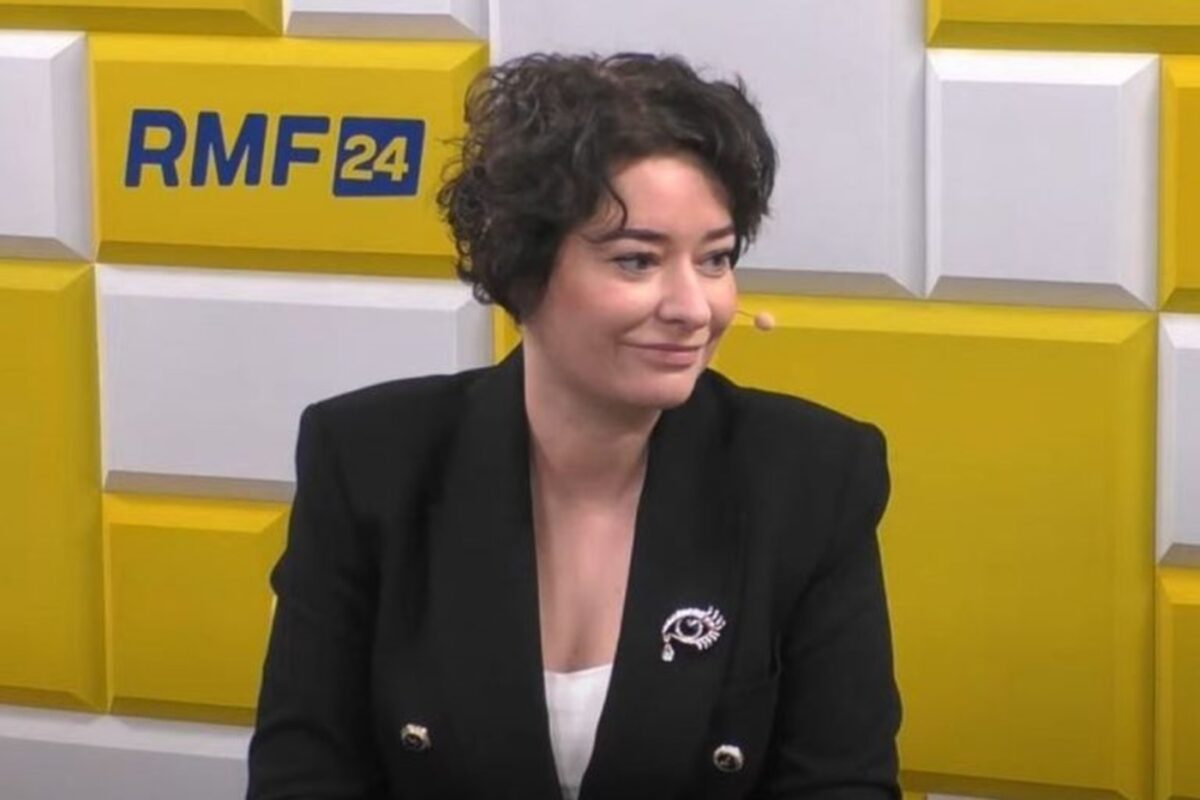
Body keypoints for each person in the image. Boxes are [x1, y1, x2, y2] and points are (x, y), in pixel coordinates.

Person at [246, 52, 901, 799]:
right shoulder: (369, 462)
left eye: (716, 259)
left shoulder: (813, 478)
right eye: (637, 261)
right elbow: (303, 777)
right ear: (524, 267)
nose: (694, 308)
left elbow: (843, 784)